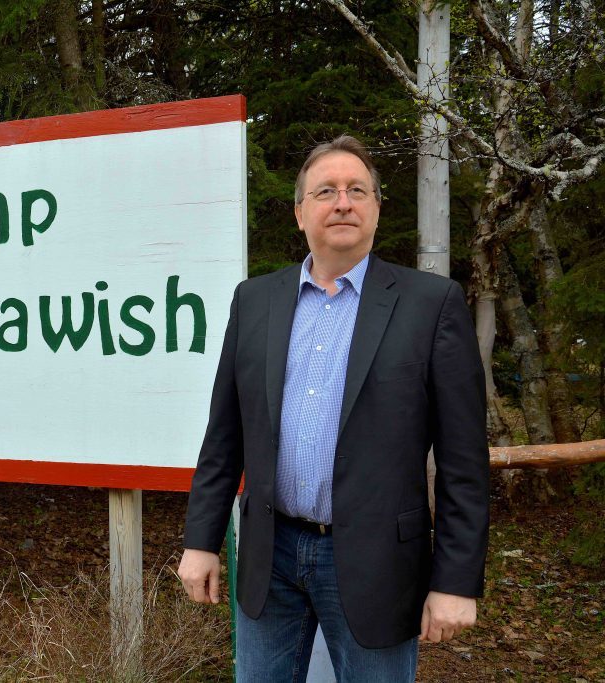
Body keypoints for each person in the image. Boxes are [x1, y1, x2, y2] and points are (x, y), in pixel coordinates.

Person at [178, 135, 490, 682]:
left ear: (376, 209)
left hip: (377, 564)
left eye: (356, 190)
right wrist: (201, 541)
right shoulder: (254, 301)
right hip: (269, 556)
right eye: (326, 191)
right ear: (300, 213)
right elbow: (224, 435)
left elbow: (463, 460)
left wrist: (456, 581)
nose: (342, 202)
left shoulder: (431, 305)